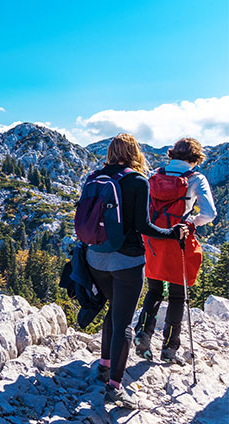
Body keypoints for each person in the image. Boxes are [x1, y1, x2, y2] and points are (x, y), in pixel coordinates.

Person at [84, 133, 186, 409]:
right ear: (134, 152)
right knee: (124, 323)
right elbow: (144, 227)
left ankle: (104, 365)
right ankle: (115, 386)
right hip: (126, 262)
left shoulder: (94, 176)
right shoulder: (137, 181)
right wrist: (173, 233)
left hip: (95, 258)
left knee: (113, 310)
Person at [134, 137, 217, 365]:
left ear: (172, 154)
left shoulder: (154, 175)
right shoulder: (195, 178)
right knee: (178, 296)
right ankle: (169, 348)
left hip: (152, 238)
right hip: (178, 239)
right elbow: (210, 214)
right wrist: (192, 223)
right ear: (195, 159)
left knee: (154, 290)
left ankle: (143, 333)